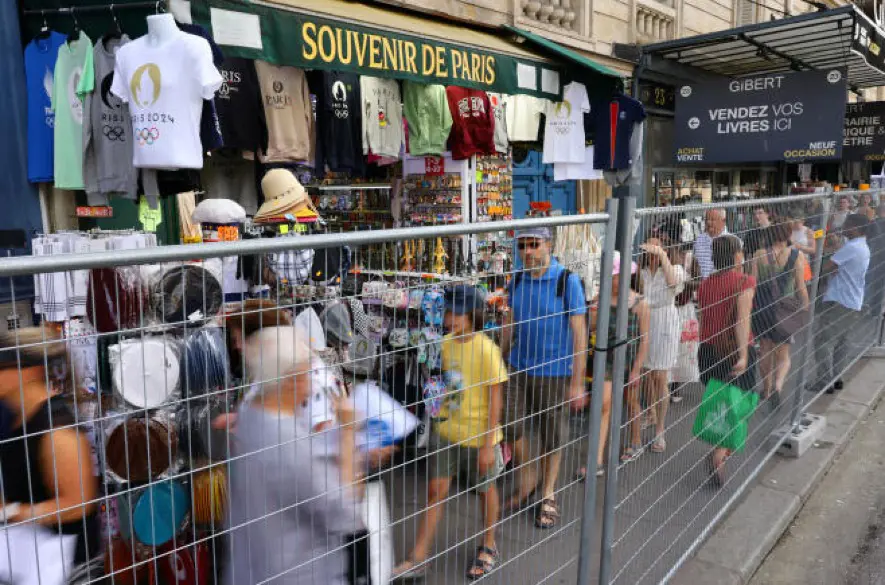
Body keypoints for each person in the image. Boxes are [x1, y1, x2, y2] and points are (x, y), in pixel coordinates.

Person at [225, 326, 361, 585]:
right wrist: (348, 434)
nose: (313, 383)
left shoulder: (249, 420)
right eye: (308, 373)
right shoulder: (293, 445)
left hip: (250, 568)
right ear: (293, 380)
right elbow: (344, 512)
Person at [393, 285, 507, 580]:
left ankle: (489, 543)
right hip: (446, 433)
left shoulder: (487, 350)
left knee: (486, 490)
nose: (450, 319)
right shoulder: (444, 343)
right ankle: (419, 556)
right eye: (448, 313)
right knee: (435, 492)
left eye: (457, 314)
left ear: (472, 314)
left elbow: (496, 398)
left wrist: (486, 444)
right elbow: (444, 382)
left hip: (479, 436)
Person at [499, 227, 587, 529]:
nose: (527, 252)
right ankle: (529, 476)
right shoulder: (518, 279)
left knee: (553, 436)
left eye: (533, 245)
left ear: (548, 245)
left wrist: (577, 382)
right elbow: (510, 320)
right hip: (519, 367)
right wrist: (500, 358)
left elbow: (579, 333)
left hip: (555, 373)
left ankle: (547, 493)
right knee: (509, 425)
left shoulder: (567, 281)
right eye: (522, 246)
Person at [0, 327, 99, 570]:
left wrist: (12, 512)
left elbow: (79, 503)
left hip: (66, 565)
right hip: (29, 558)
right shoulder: (19, 417)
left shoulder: (57, 430)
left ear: (26, 371)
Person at [697, 235, 757, 487]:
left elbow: (703, 318)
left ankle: (718, 449)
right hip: (734, 351)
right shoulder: (744, 281)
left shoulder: (705, 284)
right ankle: (720, 454)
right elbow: (742, 321)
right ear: (736, 256)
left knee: (719, 405)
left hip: (708, 350)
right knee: (742, 404)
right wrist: (743, 355)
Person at [750, 223, 810, 408]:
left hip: (762, 308)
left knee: (765, 349)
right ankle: (778, 386)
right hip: (785, 310)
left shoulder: (759, 255)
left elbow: (752, 283)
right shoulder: (796, 255)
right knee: (783, 354)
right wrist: (805, 307)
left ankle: (766, 389)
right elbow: (800, 286)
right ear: (787, 235)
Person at [813, 214, 871, 393]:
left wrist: (812, 277)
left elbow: (827, 266)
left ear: (855, 227)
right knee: (842, 342)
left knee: (823, 340)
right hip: (852, 300)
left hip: (840, 301)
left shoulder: (853, 247)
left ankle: (824, 382)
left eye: (847, 224)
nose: (844, 226)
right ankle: (836, 378)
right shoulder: (860, 246)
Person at [639, 236, 686, 452]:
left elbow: (673, 284)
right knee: (646, 374)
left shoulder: (674, 268)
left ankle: (660, 429)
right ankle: (651, 412)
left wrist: (662, 256)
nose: (652, 250)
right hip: (645, 322)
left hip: (665, 322)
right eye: (649, 246)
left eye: (656, 246)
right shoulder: (641, 271)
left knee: (660, 377)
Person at [694, 208, 729, 279]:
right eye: (706, 219)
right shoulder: (699, 239)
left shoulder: (733, 241)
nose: (708, 222)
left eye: (712, 220)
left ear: (723, 221)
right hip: (702, 285)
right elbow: (695, 264)